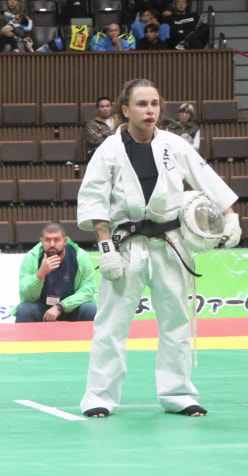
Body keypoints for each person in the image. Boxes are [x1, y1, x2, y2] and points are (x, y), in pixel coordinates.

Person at [77, 78, 242, 419]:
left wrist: (231, 217)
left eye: (154, 103)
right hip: (125, 245)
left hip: (170, 243)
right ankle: (99, 396)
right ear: (125, 110)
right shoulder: (109, 150)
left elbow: (208, 180)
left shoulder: (174, 145)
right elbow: (94, 201)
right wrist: (106, 249)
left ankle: (178, 394)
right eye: (141, 104)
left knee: (176, 321)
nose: (150, 110)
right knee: (111, 324)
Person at [13, 222, 96, 323]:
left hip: (70, 307)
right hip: (42, 307)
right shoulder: (31, 257)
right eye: (47, 240)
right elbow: (26, 296)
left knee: (90, 309)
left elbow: (87, 291)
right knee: (25, 310)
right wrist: (40, 274)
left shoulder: (80, 256)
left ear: (64, 241)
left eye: (56, 240)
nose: (52, 244)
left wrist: (61, 306)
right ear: (41, 241)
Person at [84, 96, 120, 160]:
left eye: (107, 106)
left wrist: (103, 134)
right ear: (97, 109)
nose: (105, 109)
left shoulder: (120, 121)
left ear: (111, 108)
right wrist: (115, 135)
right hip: (100, 153)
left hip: (118, 152)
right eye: (102, 107)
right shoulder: (92, 124)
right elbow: (93, 140)